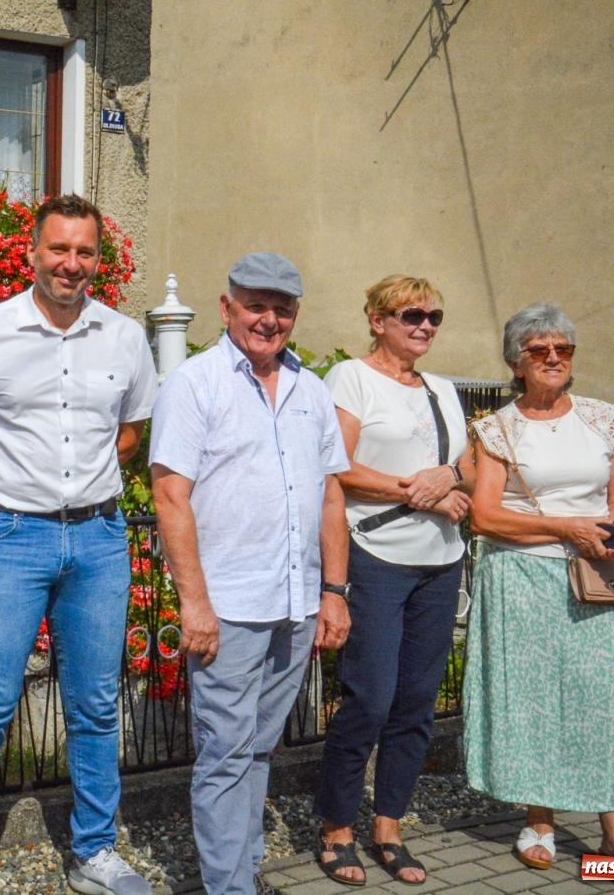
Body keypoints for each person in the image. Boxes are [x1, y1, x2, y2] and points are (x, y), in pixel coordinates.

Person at [0, 194, 157, 895]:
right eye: (59, 249)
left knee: (95, 703)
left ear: (97, 260)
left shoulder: (123, 337)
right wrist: (0, 483)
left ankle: (93, 852)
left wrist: (81, 483)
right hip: (5, 537)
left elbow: (130, 433)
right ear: (32, 252)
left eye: (84, 252)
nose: (71, 264)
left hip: (98, 536)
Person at [149, 252, 351, 895]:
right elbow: (169, 495)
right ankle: (227, 886)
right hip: (230, 605)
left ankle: (241, 871)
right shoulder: (194, 383)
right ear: (226, 307)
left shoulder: (310, 389)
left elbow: (330, 497)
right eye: (256, 304)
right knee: (226, 754)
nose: (269, 319)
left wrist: (334, 593)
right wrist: (196, 603)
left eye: (282, 307)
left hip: (293, 604)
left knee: (258, 749)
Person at [466, 304, 614, 895]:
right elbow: (483, 516)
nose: (554, 358)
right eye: (539, 350)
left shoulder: (605, 420)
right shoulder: (498, 428)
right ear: (515, 363)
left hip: (590, 574)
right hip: (520, 574)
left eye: (564, 349)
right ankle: (539, 823)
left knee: (598, 704)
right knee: (530, 700)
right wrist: (565, 528)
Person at [312, 276, 475, 886]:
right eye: (412, 314)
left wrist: (446, 478)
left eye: (434, 314)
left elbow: (469, 460)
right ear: (378, 320)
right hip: (376, 554)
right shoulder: (350, 379)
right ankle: (335, 827)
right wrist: (420, 490)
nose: (426, 325)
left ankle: (389, 826)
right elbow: (339, 466)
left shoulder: (442, 388)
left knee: (416, 704)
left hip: (439, 560)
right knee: (370, 698)